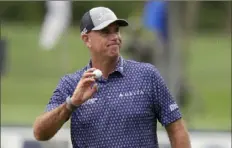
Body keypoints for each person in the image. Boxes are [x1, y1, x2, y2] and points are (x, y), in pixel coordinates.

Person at [33, 6, 191, 148]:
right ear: (86, 39)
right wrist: (71, 104)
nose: (114, 36)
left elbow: (176, 128)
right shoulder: (72, 83)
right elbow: (40, 133)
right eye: (105, 32)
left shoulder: (147, 75)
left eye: (116, 30)